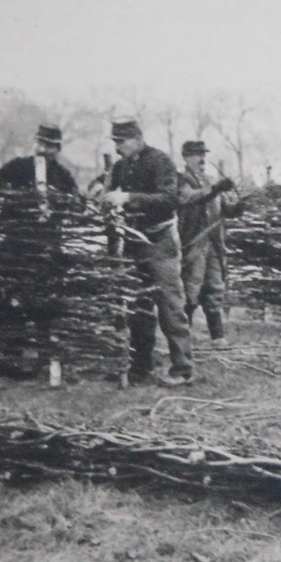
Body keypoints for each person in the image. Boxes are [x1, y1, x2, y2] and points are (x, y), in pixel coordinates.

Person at [97, 119, 194, 386]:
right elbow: (107, 193)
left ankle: (183, 368)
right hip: (132, 241)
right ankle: (142, 366)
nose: (117, 147)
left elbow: (169, 199)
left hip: (159, 241)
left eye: (121, 141)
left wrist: (127, 198)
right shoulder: (120, 166)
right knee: (139, 306)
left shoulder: (160, 161)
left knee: (170, 305)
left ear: (138, 139)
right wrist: (104, 200)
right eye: (115, 142)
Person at [176, 140, 239, 343]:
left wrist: (235, 207)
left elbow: (221, 207)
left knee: (214, 287)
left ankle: (217, 337)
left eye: (203, 154)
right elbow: (190, 198)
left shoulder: (209, 180)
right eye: (196, 154)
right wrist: (216, 188)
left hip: (213, 243)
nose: (202, 159)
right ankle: (184, 338)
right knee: (191, 288)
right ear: (185, 157)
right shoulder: (181, 180)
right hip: (193, 241)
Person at [0, 123, 79, 193]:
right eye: (40, 143)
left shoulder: (63, 177)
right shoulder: (16, 167)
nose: (42, 150)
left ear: (58, 149)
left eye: (48, 146)